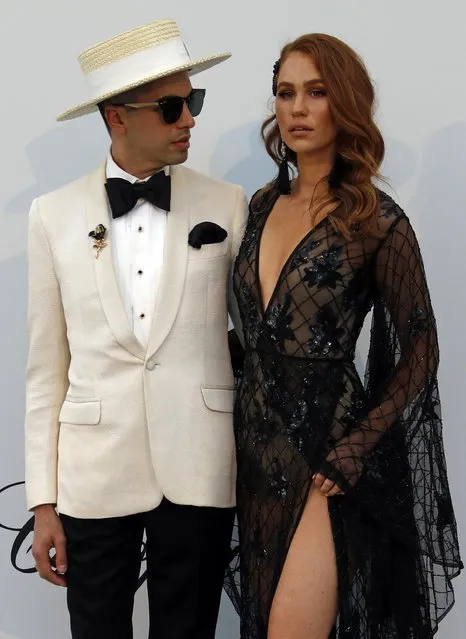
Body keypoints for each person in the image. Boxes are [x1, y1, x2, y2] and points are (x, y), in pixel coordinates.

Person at [228, 33, 463, 639]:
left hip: (323, 455)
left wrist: (356, 449)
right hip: (253, 454)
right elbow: (256, 334)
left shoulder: (375, 220)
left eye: (317, 92)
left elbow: (421, 349)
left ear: (346, 103)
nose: (298, 108)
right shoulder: (257, 206)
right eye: (285, 93)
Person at [25, 18, 248, 639]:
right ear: (116, 117)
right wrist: (43, 501)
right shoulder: (53, 216)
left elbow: (257, 338)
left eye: (193, 102)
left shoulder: (227, 204)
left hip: (200, 462)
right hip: (94, 471)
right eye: (173, 106)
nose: (190, 120)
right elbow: (46, 371)